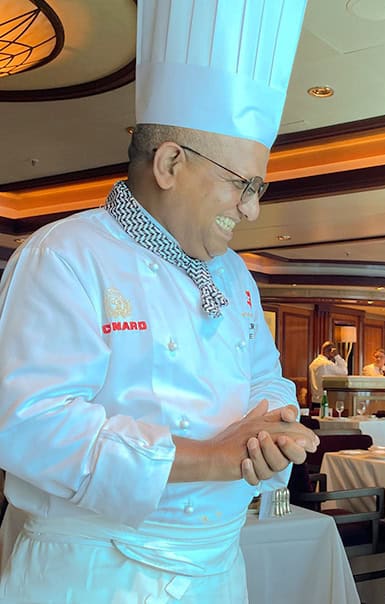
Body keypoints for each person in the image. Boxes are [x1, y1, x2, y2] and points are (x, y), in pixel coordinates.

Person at [0, 2, 318, 602]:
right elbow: (30, 424)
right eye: (242, 185)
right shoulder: (64, 255)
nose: (251, 210)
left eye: (259, 189)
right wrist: (210, 457)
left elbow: (265, 378)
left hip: (220, 569)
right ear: (170, 162)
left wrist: (273, 428)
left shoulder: (233, 275)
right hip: (96, 575)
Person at [308, 340, 348, 408]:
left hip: (314, 401)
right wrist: (337, 356)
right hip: (325, 401)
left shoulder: (313, 364)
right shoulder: (326, 364)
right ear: (331, 351)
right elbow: (344, 372)